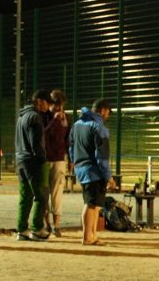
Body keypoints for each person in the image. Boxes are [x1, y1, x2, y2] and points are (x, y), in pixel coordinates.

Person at [69, 99, 113, 246]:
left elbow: (71, 146)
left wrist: (75, 161)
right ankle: (88, 237)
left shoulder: (77, 124)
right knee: (91, 204)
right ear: (102, 110)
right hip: (94, 170)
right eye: (108, 112)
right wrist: (108, 176)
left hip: (81, 168)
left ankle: (92, 235)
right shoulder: (99, 127)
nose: (108, 115)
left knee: (93, 204)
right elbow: (102, 155)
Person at [14, 90, 50, 241]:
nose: (48, 107)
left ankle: (21, 230)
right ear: (40, 101)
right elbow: (36, 143)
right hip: (33, 161)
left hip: (20, 160)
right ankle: (37, 229)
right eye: (48, 103)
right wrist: (42, 159)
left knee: (25, 196)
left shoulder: (21, 116)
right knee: (41, 196)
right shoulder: (35, 117)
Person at [43, 89, 71, 236]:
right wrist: (54, 120)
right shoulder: (44, 116)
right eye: (55, 104)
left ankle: (57, 225)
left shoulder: (66, 118)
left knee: (57, 192)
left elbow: (68, 140)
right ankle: (46, 223)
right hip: (45, 159)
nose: (58, 108)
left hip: (59, 158)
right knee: (44, 193)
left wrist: (70, 159)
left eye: (60, 105)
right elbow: (44, 133)